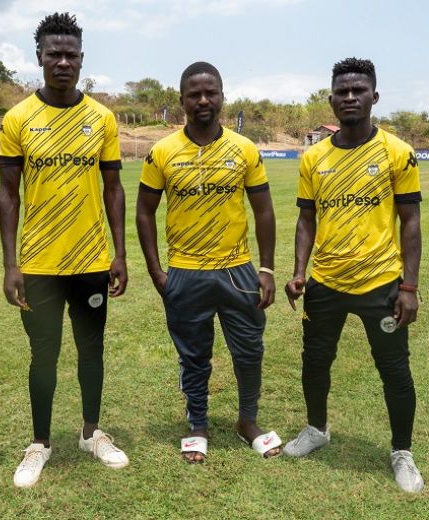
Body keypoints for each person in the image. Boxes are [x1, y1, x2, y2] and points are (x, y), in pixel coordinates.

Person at [0, 12, 129, 488]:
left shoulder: (101, 118)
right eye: (54, 53)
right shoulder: (18, 118)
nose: (62, 62)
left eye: (71, 54)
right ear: (39, 57)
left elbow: (113, 188)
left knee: (91, 351)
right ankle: (39, 444)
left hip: (92, 259)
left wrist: (120, 252)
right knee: (44, 354)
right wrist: (11, 264)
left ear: (81, 60)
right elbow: (8, 192)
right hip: (38, 264)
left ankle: (92, 433)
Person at [284, 58, 423, 493]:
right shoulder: (314, 157)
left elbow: (412, 222)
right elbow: (306, 220)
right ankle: (316, 429)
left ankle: (402, 451)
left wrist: (410, 287)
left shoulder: (396, 153)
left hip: (381, 283)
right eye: (341, 91)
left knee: (395, 370)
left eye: (358, 90)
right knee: (315, 362)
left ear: (374, 97)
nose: (349, 97)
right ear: (331, 99)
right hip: (325, 284)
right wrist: (299, 272)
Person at [136, 62, 281, 463]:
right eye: (194, 94)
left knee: (249, 351)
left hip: (238, 271)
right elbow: (144, 211)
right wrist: (156, 271)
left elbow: (264, 211)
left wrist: (266, 270)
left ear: (222, 96)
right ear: (181, 100)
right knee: (194, 356)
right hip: (185, 272)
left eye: (210, 92)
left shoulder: (244, 149)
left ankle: (247, 421)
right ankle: (197, 425)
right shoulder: (162, 152)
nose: (203, 100)